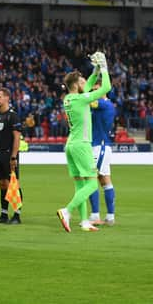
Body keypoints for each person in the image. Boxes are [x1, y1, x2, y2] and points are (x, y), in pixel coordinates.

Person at [57, 52, 112, 232]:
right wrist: (103, 69)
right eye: (81, 80)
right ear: (75, 84)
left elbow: (87, 85)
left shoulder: (69, 99)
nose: (84, 82)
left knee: (80, 184)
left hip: (71, 144)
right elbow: (106, 88)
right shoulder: (81, 99)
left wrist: (95, 69)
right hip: (82, 144)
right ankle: (67, 210)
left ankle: (84, 221)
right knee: (92, 183)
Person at [0, 87, 23, 224]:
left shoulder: (12, 116)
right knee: (2, 184)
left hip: (10, 155)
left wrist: (14, 157)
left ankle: (17, 215)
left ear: (7, 98)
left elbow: (17, 138)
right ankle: (3, 214)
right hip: (0, 155)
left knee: (13, 185)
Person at [89, 85, 117, 226]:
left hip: (99, 146)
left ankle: (95, 215)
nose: (94, 91)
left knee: (91, 178)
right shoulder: (101, 105)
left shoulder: (105, 104)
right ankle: (110, 216)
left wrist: (81, 89)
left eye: (96, 88)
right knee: (104, 180)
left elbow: (89, 101)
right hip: (101, 146)